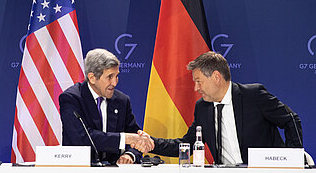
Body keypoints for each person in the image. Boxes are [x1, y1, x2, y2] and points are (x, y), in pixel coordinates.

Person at [150, 51, 303, 165]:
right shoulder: (203, 108)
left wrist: (291, 159)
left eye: (199, 81)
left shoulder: (253, 96)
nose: (196, 88)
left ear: (216, 77)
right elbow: (187, 144)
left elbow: (291, 120)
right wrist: (151, 143)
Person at [59, 48, 154, 165]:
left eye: (116, 76)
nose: (115, 82)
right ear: (92, 77)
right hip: (80, 168)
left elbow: (134, 135)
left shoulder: (122, 101)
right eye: (109, 77)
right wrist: (124, 139)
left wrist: (130, 154)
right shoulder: (71, 99)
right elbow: (82, 138)